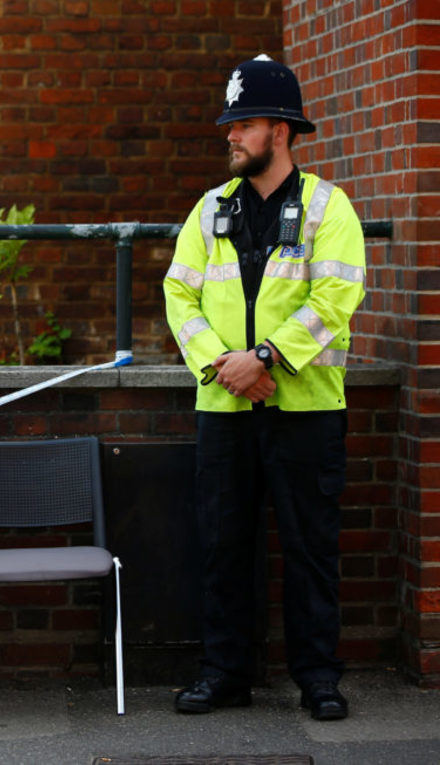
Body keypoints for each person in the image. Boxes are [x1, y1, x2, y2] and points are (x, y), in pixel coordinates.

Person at [164, 55, 366, 722]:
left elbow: (335, 297)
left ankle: (318, 677)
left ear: (280, 129)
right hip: (224, 404)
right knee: (223, 546)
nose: (230, 136)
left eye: (242, 123)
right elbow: (179, 293)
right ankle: (225, 672)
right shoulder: (208, 209)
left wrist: (267, 358)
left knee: (311, 549)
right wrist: (224, 365)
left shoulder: (329, 209)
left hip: (306, 409)